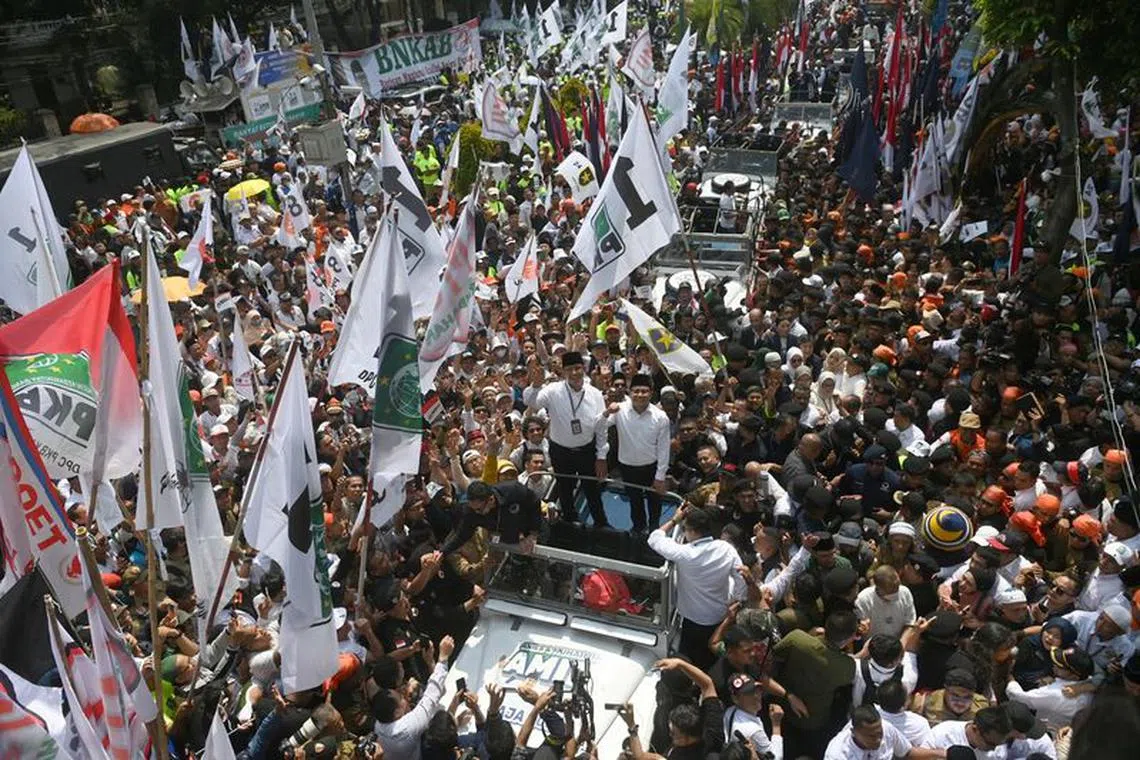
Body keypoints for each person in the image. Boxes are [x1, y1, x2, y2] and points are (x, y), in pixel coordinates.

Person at [648, 505, 745, 669]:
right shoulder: (726, 549)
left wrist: (674, 520)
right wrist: (736, 600)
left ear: (692, 531)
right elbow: (741, 578)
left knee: (686, 662)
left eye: (685, 529)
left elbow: (654, 539)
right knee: (709, 662)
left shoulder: (684, 553)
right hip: (718, 618)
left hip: (692, 622)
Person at [523, 350, 609, 526]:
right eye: (570, 369)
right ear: (563, 371)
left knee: (591, 489)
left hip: (586, 450)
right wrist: (536, 385)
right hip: (561, 451)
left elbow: (601, 427)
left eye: (578, 368)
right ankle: (569, 521)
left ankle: (601, 523)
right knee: (565, 488)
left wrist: (601, 457)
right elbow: (532, 402)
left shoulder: (595, 393)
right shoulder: (552, 390)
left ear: (584, 368)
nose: (575, 373)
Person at [603, 373, 672, 532]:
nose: (640, 395)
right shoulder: (619, 411)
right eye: (636, 391)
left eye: (644, 391)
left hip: (651, 467)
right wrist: (606, 411)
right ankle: (638, 528)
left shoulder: (661, 417)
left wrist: (660, 476)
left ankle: (654, 530)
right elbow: (599, 425)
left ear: (651, 393)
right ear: (630, 391)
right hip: (627, 467)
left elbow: (663, 449)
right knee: (635, 501)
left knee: (654, 502)